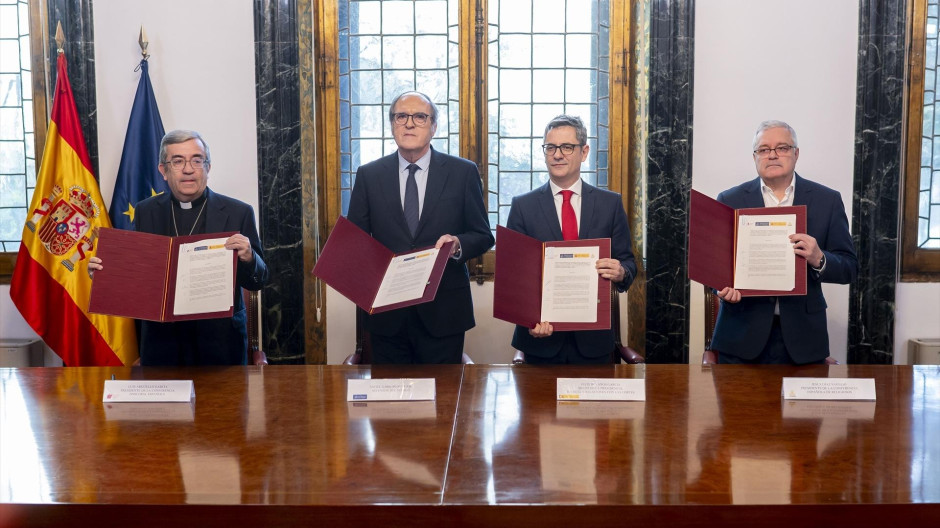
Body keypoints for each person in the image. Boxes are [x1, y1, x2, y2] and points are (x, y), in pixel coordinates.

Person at [89, 130, 269, 366]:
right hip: (163, 345)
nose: (188, 169)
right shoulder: (145, 211)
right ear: (163, 170)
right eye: (177, 161)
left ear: (208, 167)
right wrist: (107, 276)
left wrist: (249, 257)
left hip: (220, 345)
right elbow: (140, 275)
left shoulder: (238, 212)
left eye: (197, 160)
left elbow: (258, 281)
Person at [346, 91, 494, 364]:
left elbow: (483, 235)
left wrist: (458, 244)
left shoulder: (463, 173)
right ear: (392, 125)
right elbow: (354, 243)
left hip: (444, 313)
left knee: (444, 403)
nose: (409, 123)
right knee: (389, 402)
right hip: (386, 315)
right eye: (401, 116)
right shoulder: (369, 175)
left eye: (420, 117)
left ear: (433, 127)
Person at [709, 120, 858, 364]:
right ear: (755, 156)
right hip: (741, 335)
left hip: (803, 336)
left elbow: (849, 268)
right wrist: (722, 288)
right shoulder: (729, 199)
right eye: (764, 149)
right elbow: (716, 265)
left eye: (782, 148)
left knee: (800, 405)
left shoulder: (827, 200)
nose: (773, 155)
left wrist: (819, 258)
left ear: (796, 154)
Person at [506, 114, 637, 364]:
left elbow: (629, 265)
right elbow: (514, 279)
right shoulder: (523, 206)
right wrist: (529, 320)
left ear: (584, 151)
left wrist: (620, 272)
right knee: (539, 405)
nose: (557, 155)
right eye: (551, 147)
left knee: (592, 406)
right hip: (540, 340)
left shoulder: (610, 204)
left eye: (567, 147)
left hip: (594, 343)